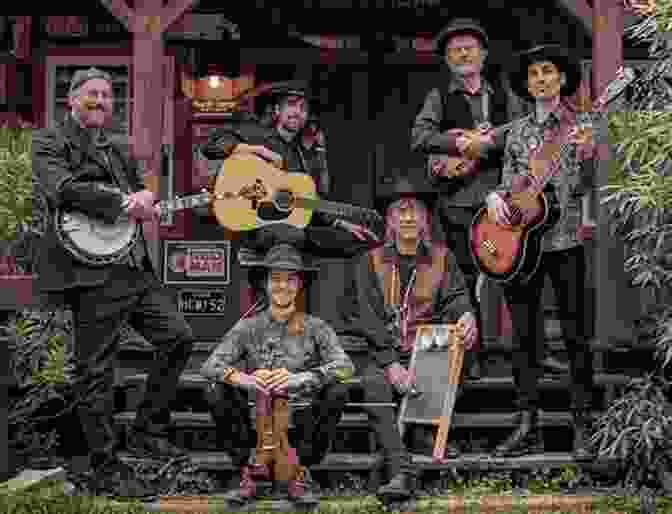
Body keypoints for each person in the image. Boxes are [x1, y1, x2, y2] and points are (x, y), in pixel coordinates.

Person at [31, 68, 195, 496]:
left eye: (107, 95)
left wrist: (148, 199)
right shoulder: (49, 141)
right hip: (89, 273)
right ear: (71, 101)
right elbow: (63, 189)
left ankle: (145, 429)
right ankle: (103, 465)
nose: (102, 101)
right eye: (93, 95)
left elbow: (142, 195)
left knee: (178, 337)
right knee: (97, 372)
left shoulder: (116, 148)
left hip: (133, 267)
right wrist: (124, 202)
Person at [485, 44, 596, 459]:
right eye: (535, 74)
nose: (542, 79)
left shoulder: (579, 125)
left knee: (575, 334)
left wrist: (585, 156)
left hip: (565, 240)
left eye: (549, 72)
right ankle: (527, 422)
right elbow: (509, 182)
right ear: (527, 85)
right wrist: (496, 198)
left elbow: (584, 186)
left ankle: (581, 424)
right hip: (523, 242)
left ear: (562, 79)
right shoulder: (515, 132)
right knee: (525, 336)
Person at [345, 177, 478, 500]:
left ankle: (418, 433)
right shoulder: (370, 261)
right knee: (375, 386)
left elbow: (456, 297)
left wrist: (466, 314)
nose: (407, 218)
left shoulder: (442, 258)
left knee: (463, 348)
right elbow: (365, 315)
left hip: (427, 348)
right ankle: (402, 469)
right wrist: (391, 364)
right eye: (399, 212)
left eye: (414, 212)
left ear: (424, 220)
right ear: (389, 221)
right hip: (385, 349)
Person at [200, 243, 355, 508]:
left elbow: (346, 366)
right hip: (256, 417)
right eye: (276, 279)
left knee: (339, 390)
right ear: (265, 284)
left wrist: (303, 377)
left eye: (290, 279)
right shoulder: (248, 327)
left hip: (301, 417)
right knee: (214, 389)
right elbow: (209, 365)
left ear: (300, 285)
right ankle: (248, 467)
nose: (283, 286)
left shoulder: (317, 327)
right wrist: (245, 378)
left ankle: (302, 468)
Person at [200, 79, 381, 255]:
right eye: (292, 105)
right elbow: (210, 145)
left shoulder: (300, 156)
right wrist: (256, 150)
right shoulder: (257, 134)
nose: (298, 112)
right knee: (292, 233)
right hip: (254, 227)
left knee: (357, 241)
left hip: (290, 228)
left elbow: (305, 202)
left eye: (303, 108)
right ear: (277, 110)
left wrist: (341, 223)